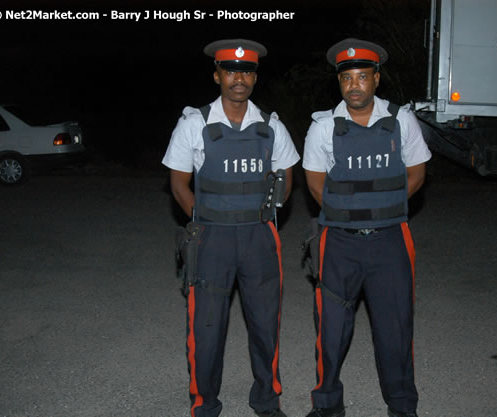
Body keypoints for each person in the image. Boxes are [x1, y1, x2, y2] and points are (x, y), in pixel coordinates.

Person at [162, 39, 300, 417]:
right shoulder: (195, 124)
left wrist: (271, 209)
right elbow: (178, 183)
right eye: (231, 70)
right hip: (212, 238)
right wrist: (204, 222)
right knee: (205, 329)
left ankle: (267, 400)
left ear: (254, 78)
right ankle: (205, 404)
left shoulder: (271, 126)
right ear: (217, 75)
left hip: (259, 237)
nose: (239, 78)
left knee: (264, 324)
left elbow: (287, 173)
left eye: (247, 71)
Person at [302, 38, 431, 417]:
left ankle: (403, 406)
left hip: (391, 240)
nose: (354, 85)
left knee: (395, 331)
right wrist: (349, 215)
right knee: (331, 331)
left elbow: (417, 174)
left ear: (376, 78)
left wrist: (380, 212)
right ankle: (327, 406)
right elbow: (314, 183)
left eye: (362, 76)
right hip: (338, 242)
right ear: (339, 83)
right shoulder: (324, 128)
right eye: (347, 78)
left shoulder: (400, 120)